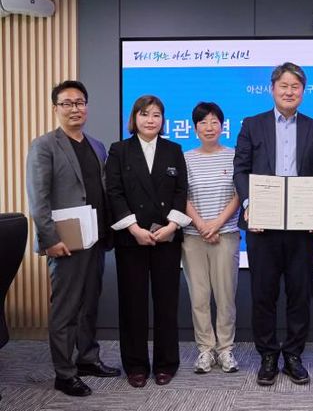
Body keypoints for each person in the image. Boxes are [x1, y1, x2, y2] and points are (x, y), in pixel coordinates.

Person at [233, 62, 313, 386]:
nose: (289, 92)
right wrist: (250, 205)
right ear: (272, 89)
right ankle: (268, 355)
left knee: (300, 294)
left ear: (303, 91)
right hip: (263, 224)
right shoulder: (252, 124)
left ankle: (293, 355)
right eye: (284, 86)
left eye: (295, 87)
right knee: (263, 293)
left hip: (302, 226)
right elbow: (241, 169)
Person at [26, 80, 121, 397]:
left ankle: (88, 359)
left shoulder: (97, 145)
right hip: (64, 242)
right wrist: (50, 239)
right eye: (67, 103)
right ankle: (64, 374)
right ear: (56, 108)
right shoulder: (44, 146)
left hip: (95, 238)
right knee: (65, 309)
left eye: (79, 102)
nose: (74, 108)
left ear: (87, 107)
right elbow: (38, 199)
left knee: (89, 304)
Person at [105, 95, 190, 388]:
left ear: (163, 120)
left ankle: (166, 364)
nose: (150, 120)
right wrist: (133, 228)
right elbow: (114, 192)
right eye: (144, 114)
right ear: (134, 118)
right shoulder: (119, 150)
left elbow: (181, 191)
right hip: (132, 238)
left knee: (167, 303)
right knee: (133, 304)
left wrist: (172, 226)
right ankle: (136, 365)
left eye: (156, 114)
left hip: (167, 237)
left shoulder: (173, 150)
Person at [182, 102, 241, 374]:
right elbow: (181, 196)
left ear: (222, 126)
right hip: (193, 237)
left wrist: (216, 224)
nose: (209, 127)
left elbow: (239, 195)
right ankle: (205, 349)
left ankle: (225, 349)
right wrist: (202, 225)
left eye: (214, 121)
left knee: (226, 295)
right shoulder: (185, 158)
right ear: (195, 128)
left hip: (225, 234)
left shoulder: (234, 156)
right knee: (199, 296)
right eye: (203, 122)